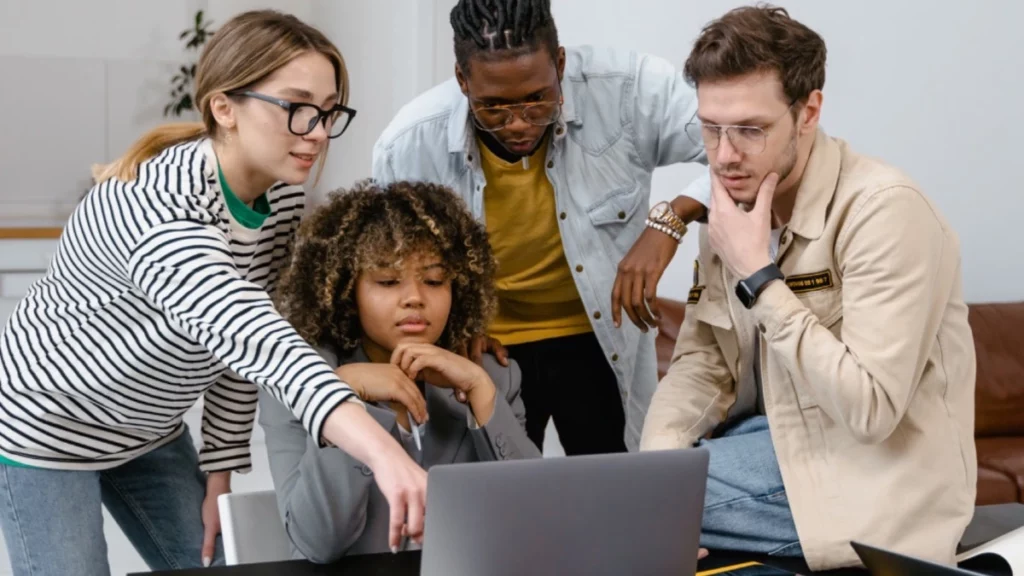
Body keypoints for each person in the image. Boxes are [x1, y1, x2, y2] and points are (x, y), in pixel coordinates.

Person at [0, 10, 425, 575]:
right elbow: (255, 336)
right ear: (224, 107)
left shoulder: (282, 202)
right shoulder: (157, 210)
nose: (318, 132)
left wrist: (219, 471)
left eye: (327, 112)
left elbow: (235, 356)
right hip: (47, 425)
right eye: (297, 108)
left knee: (227, 562)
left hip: (148, 428)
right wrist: (384, 453)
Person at [640, 5, 977, 571]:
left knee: (608, 517)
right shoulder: (733, 203)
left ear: (808, 111)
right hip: (772, 444)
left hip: (874, 475)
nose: (723, 156)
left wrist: (759, 275)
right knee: (627, 498)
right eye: (711, 128)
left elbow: (870, 411)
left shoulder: (885, 211)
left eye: (750, 129)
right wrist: (655, 477)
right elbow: (702, 364)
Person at [372, 0, 713, 455]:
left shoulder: (630, 91)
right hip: (490, 350)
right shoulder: (409, 144)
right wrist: (453, 324)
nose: (517, 124)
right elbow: (394, 266)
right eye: (492, 107)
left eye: (537, 100)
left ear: (561, 63)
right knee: (502, 499)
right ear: (461, 80)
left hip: (602, 339)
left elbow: (742, 146)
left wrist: (670, 220)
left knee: (617, 492)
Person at [260, 180, 541, 561]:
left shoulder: (493, 373)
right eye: (388, 281)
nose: (414, 297)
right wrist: (348, 395)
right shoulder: (300, 379)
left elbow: (535, 521)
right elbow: (318, 543)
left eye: (434, 280)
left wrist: (480, 390)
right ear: (346, 289)